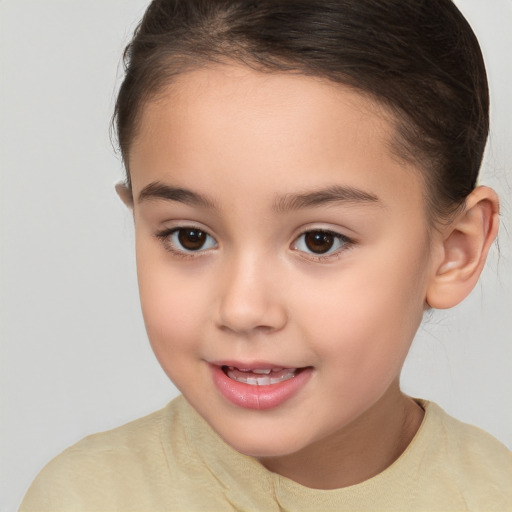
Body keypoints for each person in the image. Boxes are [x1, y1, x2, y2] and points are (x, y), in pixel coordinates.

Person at [20, 0, 512, 510]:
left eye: (320, 240)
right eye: (190, 237)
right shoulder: (82, 498)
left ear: (456, 250)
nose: (242, 309)